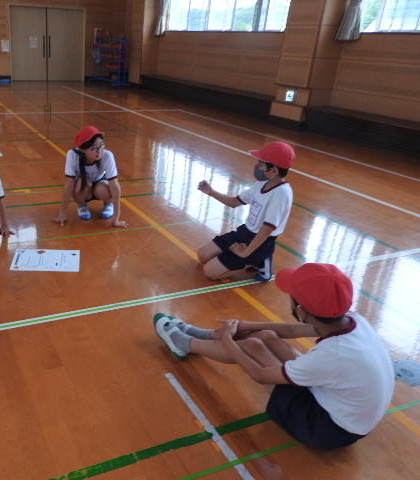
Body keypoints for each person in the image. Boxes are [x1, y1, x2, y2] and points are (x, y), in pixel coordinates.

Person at [153, 263, 395, 450]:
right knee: (265, 336)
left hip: (326, 430)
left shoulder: (333, 355)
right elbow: (292, 330)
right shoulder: (352, 320)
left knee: (252, 347)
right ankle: (203, 335)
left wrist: (228, 340)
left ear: (300, 310)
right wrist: (247, 325)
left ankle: (185, 343)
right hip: (350, 414)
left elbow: (259, 375)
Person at [197, 141, 295, 282]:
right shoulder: (260, 185)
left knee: (210, 272)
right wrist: (211, 192)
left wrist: (244, 253)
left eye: (261, 163)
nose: (258, 166)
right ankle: (241, 259)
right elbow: (234, 202)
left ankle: (261, 260)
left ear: (274, 171)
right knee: (203, 256)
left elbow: (266, 229)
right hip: (245, 231)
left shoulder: (282, 193)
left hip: (262, 240)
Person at [52, 126, 128, 228]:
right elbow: (69, 184)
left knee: (102, 189)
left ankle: (108, 204)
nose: (99, 151)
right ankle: (82, 205)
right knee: (79, 185)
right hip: (84, 185)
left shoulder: (107, 155)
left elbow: (114, 185)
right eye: (93, 148)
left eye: (101, 145)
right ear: (82, 150)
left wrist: (116, 217)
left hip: (100, 183)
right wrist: (62, 213)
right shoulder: (72, 155)